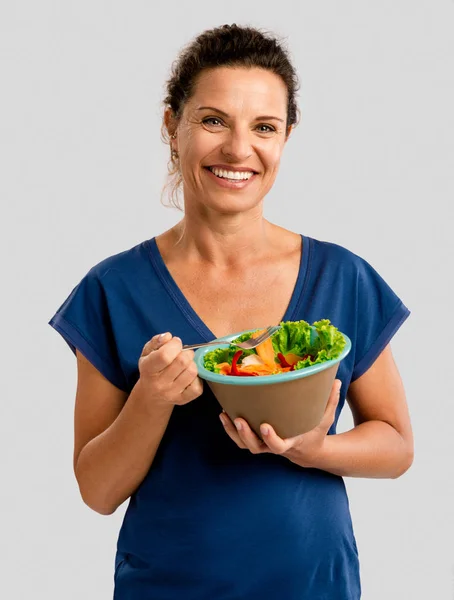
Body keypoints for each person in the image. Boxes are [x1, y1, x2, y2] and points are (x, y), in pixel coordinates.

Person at [48, 23, 414, 600]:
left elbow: (396, 446)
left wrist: (316, 449)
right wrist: (151, 397)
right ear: (173, 125)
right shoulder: (111, 290)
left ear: (286, 137)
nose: (239, 150)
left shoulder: (343, 278)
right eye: (213, 120)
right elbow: (97, 490)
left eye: (264, 127)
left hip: (315, 587)